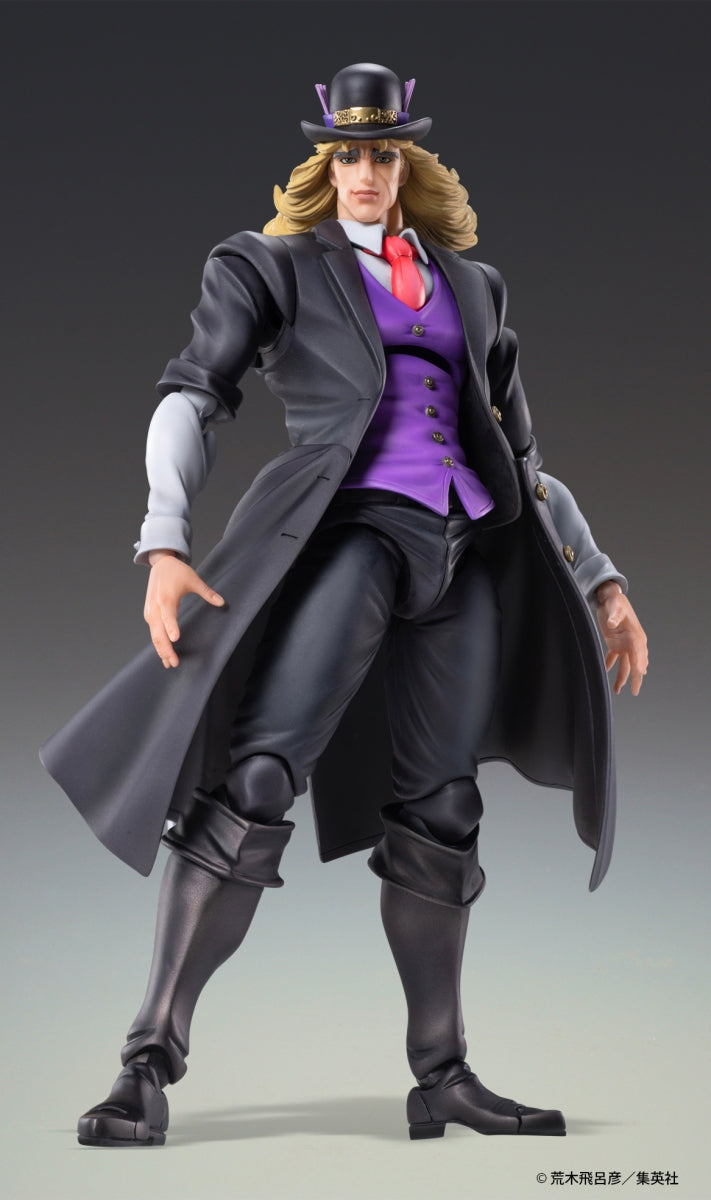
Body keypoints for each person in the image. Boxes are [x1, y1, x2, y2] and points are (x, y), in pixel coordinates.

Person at [41, 63, 648, 1147]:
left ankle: (442, 1074)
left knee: (444, 811)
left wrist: (601, 578)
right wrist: (163, 540)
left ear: (406, 162)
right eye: (348, 153)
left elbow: (524, 460)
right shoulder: (275, 268)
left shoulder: (472, 286)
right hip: (352, 538)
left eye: (383, 153)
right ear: (326, 161)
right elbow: (192, 393)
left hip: (461, 554)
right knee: (255, 782)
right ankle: (146, 1064)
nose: (365, 171)